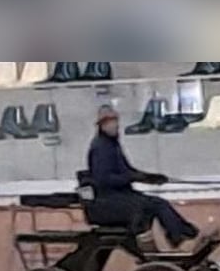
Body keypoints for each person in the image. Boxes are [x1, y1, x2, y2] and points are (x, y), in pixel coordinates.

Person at [86, 105, 203, 249]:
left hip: (120, 195)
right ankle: (181, 235)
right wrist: (133, 178)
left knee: (156, 203)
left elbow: (127, 170)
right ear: (102, 126)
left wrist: (148, 177)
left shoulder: (111, 144)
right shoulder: (100, 147)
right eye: (109, 122)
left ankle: (179, 235)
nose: (114, 125)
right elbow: (104, 179)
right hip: (109, 200)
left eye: (115, 121)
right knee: (154, 204)